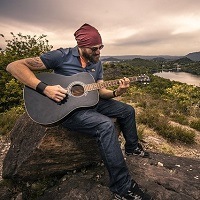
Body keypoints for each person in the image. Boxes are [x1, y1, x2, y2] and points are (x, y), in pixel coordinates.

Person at [6, 23, 153, 200]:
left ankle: (132, 148)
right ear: (81, 46)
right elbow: (14, 66)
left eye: (101, 47)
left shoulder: (96, 63)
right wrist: (45, 88)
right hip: (66, 109)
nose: (98, 52)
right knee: (105, 125)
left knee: (128, 110)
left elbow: (100, 91)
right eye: (94, 48)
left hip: (91, 102)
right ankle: (122, 187)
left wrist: (116, 92)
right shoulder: (62, 55)